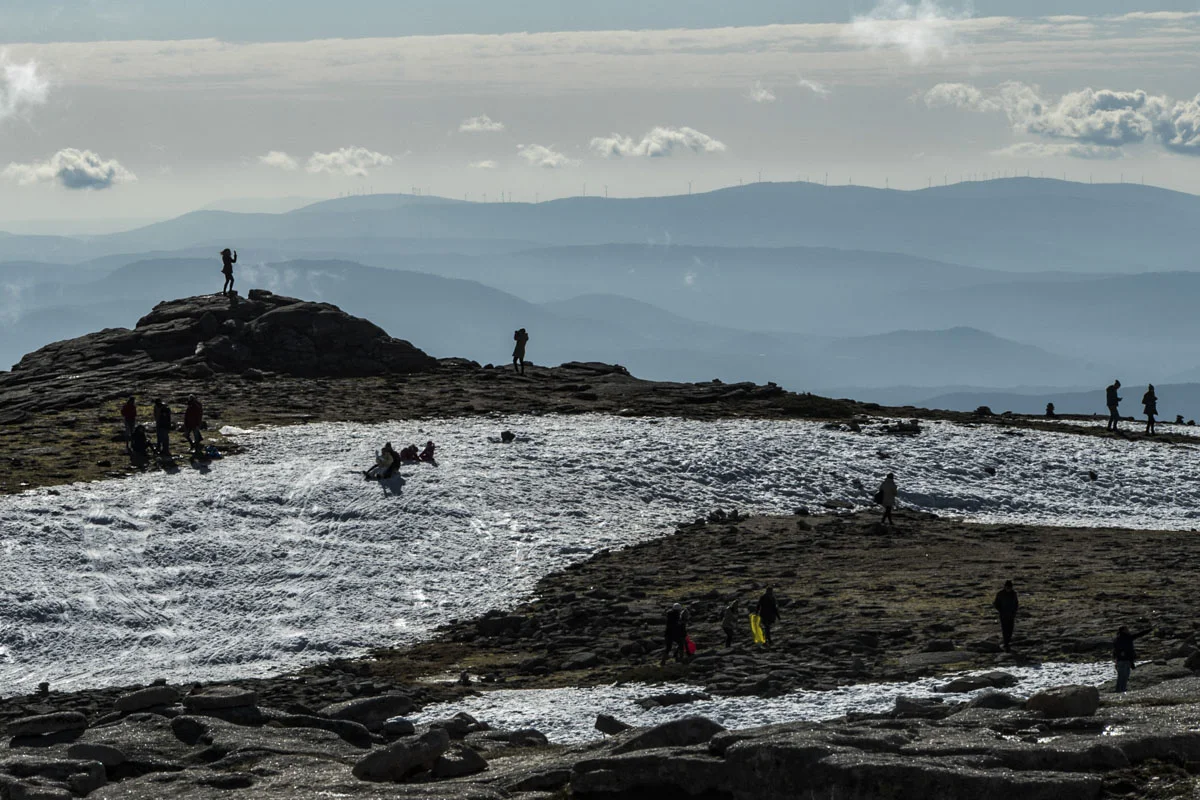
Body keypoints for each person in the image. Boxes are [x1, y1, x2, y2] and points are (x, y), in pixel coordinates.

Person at [1113, 625, 1151, 692]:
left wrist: (1116, 660)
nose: (1128, 630)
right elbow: (1139, 634)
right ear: (1123, 630)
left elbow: (1115, 651)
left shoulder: (1117, 639)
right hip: (1126, 660)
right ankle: (1121, 691)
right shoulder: (1127, 637)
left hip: (1119, 661)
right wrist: (1149, 630)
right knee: (1124, 677)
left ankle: (1118, 691)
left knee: (1120, 677)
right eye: (1127, 629)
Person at [992, 580, 1019, 652]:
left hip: (1011, 614)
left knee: (1010, 629)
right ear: (1005, 587)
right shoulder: (1000, 594)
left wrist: (1014, 611)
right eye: (1007, 588)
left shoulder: (1014, 594)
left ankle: (1007, 642)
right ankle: (1006, 643)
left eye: (1010, 588)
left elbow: (1016, 603)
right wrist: (1000, 611)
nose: (1009, 589)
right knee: (1005, 630)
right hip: (1003, 615)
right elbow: (996, 604)